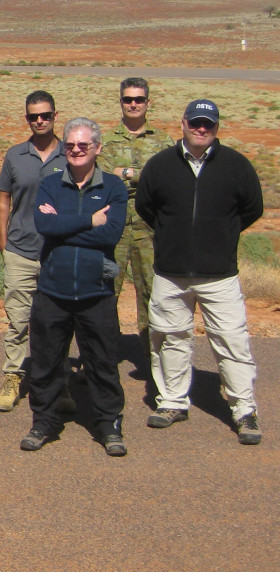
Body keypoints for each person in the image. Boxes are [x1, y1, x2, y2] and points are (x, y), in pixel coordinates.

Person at [136, 99, 264, 445]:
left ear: (216, 127)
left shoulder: (237, 166)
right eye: (196, 122)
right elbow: (146, 207)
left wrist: (218, 237)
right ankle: (173, 401)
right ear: (183, 124)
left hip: (219, 274)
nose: (201, 128)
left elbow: (252, 208)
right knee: (168, 339)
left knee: (232, 343)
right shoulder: (160, 165)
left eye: (208, 123)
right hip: (171, 273)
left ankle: (243, 410)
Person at [20, 118, 128, 456]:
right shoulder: (51, 184)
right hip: (53, 290)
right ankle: (44, 422)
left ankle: (108, 423)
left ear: (97, 147)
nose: (76, 150)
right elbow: (43, 224)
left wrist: (63, 225)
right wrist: (90, 219)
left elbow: (110, 234)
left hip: (96, 291)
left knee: (102, 362)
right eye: (70, 145)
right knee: (46, 361)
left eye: (83, 145)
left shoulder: (113, 187)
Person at [0, 90, 68, 412]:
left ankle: (58, 383)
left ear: (55, 116)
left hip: (58, 252)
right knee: (18, 320)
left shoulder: (70, 154)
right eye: (33, 116)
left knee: (58, 321)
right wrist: (3, 240)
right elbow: (3, 200)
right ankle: (12, 377)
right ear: (27, 119)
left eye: (46, 115)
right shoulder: (15, 155)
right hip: (21, 250)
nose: (40, 121)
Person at [96, 78, 172, 361]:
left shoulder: (162, 141)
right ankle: (101, 361)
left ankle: (156, 362)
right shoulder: (107, 140)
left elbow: (164, 181)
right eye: (128, 99)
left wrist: (126, 173)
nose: (133, 104)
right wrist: (143, 175)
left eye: (139, 99)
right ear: (121, 102)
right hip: (113, 230)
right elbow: (103, 178)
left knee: (153, 298)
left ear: (148, 103)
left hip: (149, 230)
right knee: (104, 296)